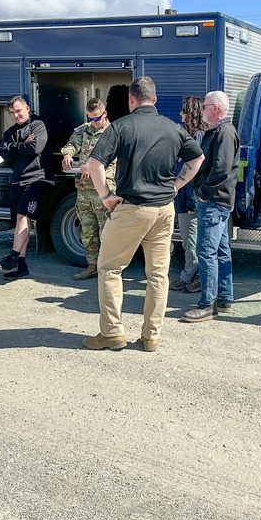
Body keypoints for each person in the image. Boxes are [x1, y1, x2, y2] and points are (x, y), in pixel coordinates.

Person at [81, 77, 204, 353]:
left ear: (131, 100)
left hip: (132, 209)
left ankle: (112, 332)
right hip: (164, 211)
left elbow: (94, 164)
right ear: (155, 100)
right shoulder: (173, 128)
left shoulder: (121, 127)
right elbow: (197, 159)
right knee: (158, 276)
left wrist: (106, 197)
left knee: (110, 268)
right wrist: (176, 186)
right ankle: (151, 337)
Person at [181, 91, 240, 322]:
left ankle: (207, 304)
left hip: (214, 202)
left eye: (205, 106)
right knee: (222, 251)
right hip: (220, 201)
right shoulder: (222, 130)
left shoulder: (223, 131)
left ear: (215, 108)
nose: (202, 110)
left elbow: (221, 169)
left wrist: (204, 194)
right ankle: (224, 298)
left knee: (206, 252)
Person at [60, 98, 117, 280]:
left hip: (104, 191)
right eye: (90, 118)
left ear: (104, 113)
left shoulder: (113, 133)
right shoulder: (84, 130)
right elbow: (73, 143)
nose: (93, 122)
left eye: (96, 118)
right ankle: (92, 266)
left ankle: (107, 269)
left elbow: (114, 161)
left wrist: (91, 168)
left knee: (106, 232)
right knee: (88, 231)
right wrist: (68, 154)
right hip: (84, 190)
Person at [0, 96, 48, 280]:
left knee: (23, 216)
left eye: (18, 111)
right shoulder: (9, 132)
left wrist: (13, 147)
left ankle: (13, 256)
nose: (16, 115)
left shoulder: (37, 125)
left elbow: (35, 147)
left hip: (36, 179)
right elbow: (4, 155)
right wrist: (19, 146)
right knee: (19, 221)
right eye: (12, 113)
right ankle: (21, 265)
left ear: (27, 108)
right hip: (17, 181)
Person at [171, 96, 207, 293]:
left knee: (192, 239)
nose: (180, 114)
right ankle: (188, 275)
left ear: (192, 113)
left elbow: (196, 167)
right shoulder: (190, 135)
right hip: (186, 195)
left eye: (183, 111)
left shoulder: (199, 136)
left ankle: (193, 276)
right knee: (188, 239)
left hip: (191, 196)